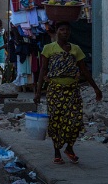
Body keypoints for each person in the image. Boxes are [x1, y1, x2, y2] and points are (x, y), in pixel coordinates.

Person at [33, 21, 102, 165]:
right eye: (62, 29)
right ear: (56, 32)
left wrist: (96, 88)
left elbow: (84, 71)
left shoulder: (76, 49)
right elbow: (43, 71)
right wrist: (38, 93)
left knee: (75, 121)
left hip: (73, 91)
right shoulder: (48, 49)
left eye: (67, 30)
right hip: (55, 91)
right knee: (56, 122)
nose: (65, 32)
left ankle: (69, 148)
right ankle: (57, 152)